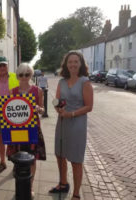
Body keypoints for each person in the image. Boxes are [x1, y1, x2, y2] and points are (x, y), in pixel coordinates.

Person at [49, 51, 93, 200]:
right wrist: (57, 108)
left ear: (80, 64)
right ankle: (63, 183)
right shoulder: (62, 81)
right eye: (70, 62)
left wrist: (71, 114)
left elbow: (89, 106)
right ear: (66, 65)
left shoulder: (84, 82)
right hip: (62, 123)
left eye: (75, 61)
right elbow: (57, 100)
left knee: (75, 160)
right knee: (59, 155)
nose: (73, 64)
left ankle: (76, 194)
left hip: (77, 124)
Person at [6, 63, 46, 197]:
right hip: (17, 130)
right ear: (17, 76)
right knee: (18, 158)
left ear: (31, 75)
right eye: (21, 74)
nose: (24, 77)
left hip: (32, 128)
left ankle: (30, 186)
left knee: (32, 158)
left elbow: (42, 109)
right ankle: (20, 185)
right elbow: (8, 111)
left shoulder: (38, 91)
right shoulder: (13, 91)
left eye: (27, 74)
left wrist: (39, 109)